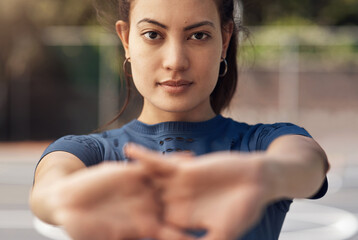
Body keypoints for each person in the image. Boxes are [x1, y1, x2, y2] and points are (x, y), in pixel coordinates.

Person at [29, 0, 329, 240]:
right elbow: (47, 192)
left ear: (224, 41)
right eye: (153, 35)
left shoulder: (264, 144)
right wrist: (71, 198)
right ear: (126, 40)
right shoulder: (85, 152)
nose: (175, 60)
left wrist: (262, 176)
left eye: (198, 35)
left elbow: (309, 164)